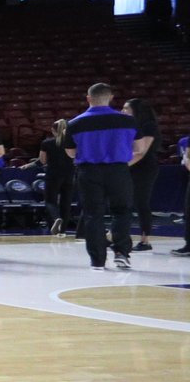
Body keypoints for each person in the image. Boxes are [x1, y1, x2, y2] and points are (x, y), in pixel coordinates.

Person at [66, 83, 136, 271]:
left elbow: (71, 153)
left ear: (88, 98)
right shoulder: (128, 121)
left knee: (93, 215)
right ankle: (121, 253)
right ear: (111, 97)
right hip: (119, 170)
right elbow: (138, 148)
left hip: (89, 172)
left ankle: (97, 260)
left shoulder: (75, 123)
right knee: (122, 211)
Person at [125, 97, 161, 251]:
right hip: (131, 166)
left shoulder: (148, 126)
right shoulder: (130, 126)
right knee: (124, 203)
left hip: (144, 167)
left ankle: (145, 241)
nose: (123, 111)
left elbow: (141, 152)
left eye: (126, 108)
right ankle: (119, 237)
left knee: (141, 203)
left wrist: (121, 166)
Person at [39, 119, 76, 235]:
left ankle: (56, 219)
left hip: (53, 174)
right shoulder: (72, 142)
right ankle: (63, 230)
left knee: (50, 201)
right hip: (69, 174)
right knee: (66, 202)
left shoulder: (47, 142)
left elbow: (43, 160)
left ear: (53, 130)